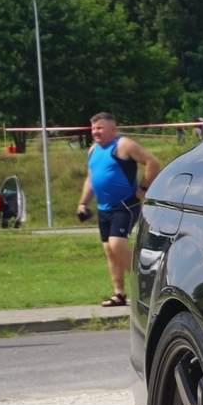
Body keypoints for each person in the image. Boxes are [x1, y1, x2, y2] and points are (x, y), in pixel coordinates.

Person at [75, 112, 161, 307]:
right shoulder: (93, 150)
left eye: (100, 128)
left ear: (112, 129)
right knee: (109, 250)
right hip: (104, 208)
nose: (96, 132)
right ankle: (119, 294)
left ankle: (149, 282)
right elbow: (90, 179)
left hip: (125, 204)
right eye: (94, 128)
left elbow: (153, 162)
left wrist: (143, 188)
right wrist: (82, 203)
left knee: (117, 245)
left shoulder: (123, 145)